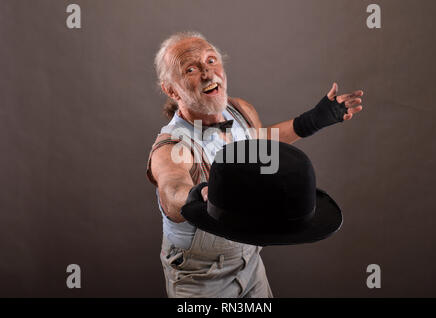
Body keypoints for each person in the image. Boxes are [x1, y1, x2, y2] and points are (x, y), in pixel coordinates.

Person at [146, 31, 364, 298]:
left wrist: (313, 120)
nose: (207, 73)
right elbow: (172, 187)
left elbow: (260, 143)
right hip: (201, 276)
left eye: (211, 61)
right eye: (190, 69)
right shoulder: (171, 145)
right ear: (170, 89)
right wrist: (194, 194)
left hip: (250, 259)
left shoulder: (240, 110)